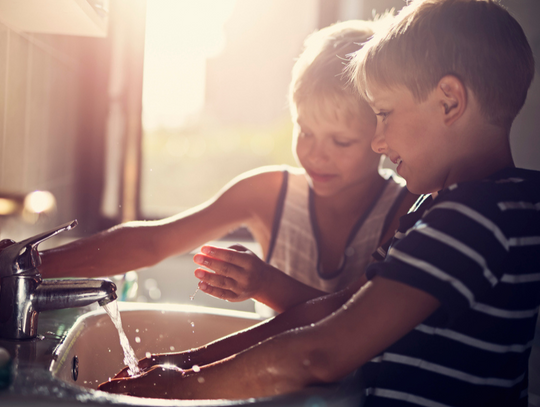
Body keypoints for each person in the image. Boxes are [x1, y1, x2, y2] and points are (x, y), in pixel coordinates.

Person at [99, 0, 540, 406]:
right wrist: (189, 361)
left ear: (449, 101)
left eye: (383, 113)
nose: (379, 141)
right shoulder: (471, 207)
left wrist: (180, 387)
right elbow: (335, 310)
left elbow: (321, 353)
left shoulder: (469, 220)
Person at [40, 20, 414, 313]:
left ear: (383, 133)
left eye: (341, 141)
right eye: (305, 131)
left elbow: (352, 318)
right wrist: (31, 264)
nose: (316, 154)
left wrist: (266, 284)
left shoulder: (402, 210)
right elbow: (154, 242)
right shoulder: (269, 193)